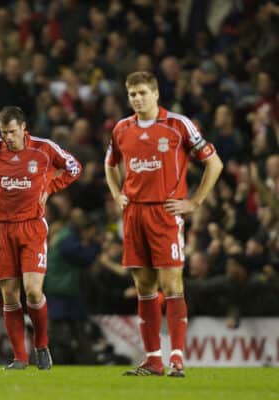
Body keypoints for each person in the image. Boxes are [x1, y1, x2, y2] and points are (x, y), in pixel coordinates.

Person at [104, 71, 224, 377]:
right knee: (144, 287)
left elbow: (214, 162)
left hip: (165, 213)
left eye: (143, 93)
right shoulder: (121, 128)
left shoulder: (177, 125)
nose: (137, 99)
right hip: (134, 215)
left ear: (156, 94)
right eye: (132, 94)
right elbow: (110, 164)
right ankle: (153, 359)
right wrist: (117, 194)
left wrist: (195, 201)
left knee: (172, 285)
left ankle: (178, 358)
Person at [0, 106, 81, 370]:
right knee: (9, 296)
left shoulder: (44, 149)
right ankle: (20, 357)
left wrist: (51, 187)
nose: (8, 138)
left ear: (23, 128)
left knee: (33, 290)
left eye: (13, 132)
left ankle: (41, 345)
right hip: (3, 228)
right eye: (4, 132)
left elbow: (74, 168)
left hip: (31, 227)